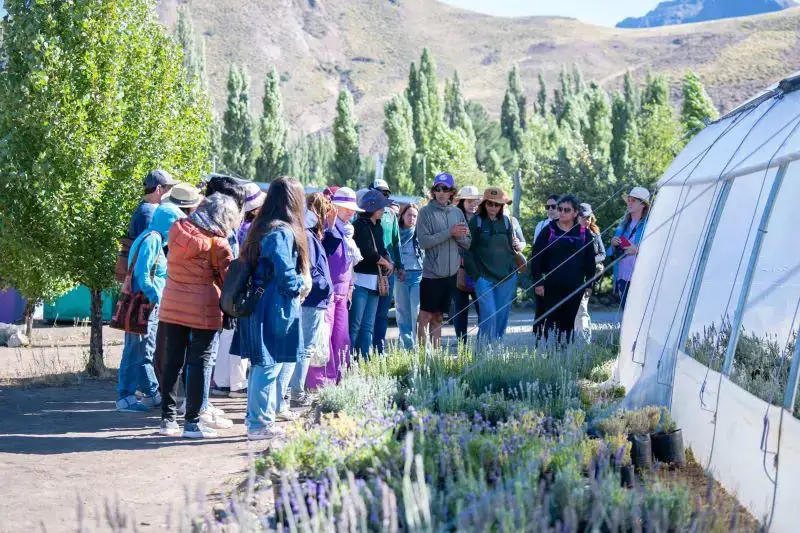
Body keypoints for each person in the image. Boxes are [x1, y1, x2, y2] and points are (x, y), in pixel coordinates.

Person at [158, 193, 238, 438]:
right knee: (199, 364)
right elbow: (228, 281)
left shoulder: (176, 229)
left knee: (172, 362)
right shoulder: (218, 244)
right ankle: (191, 423)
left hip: (172, 304)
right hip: (203, 309)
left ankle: (167, 419)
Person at [238, 176, 311, 441]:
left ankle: (260, 420)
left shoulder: (263, 226)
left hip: (264, 302)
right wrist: (300, 283)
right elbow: (285, 273)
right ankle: (258, 424)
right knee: (268, 364)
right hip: (275, 304)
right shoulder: (281, 231)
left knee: (266, 364)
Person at [116, 200, 190, 412]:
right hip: (144, 305)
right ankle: (126, 396)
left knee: (142, 350)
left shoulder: (149, 236)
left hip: (144, 304)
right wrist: (155, 295)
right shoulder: (154, 239)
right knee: (136, 350)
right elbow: (143, 273)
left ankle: (150, 393)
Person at [213, 182, 264, 398]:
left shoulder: (239, 228)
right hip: (242, 287)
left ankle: (222, 381)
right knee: (237, 335)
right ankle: (237, 383)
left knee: (228, 335)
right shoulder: (250, 231)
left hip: (231, 286)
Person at [305, 187, 361, 389]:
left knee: (341, 337)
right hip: (327, 294)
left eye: (352, 209)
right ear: (334, 207)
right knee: (323, 339)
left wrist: (351, 285)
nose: (350, 212)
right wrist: (328, 226)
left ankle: (339, 376)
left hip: (343, 292)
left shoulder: (347, 232)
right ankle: (319, 382)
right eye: (345, 208)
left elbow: (348, 263)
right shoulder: (325, 231)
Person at [285, 193, 333, 407]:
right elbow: (311, 269)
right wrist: (325, 287)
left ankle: (293, 390)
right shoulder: (309, 236)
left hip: (313, 298)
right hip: (313, 299)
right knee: (304, 347)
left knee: (302, 345)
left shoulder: (309, 235)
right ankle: (296, 391)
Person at [530, 195, 597, 343]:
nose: (562, 212)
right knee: (551, 321)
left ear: (575, 213)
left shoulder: (583, 232)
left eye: (567, 210)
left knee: (568, 322)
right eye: (559, 209)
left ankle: (564, 355)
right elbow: (535, 258)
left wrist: (590, 284)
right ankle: (548, 354)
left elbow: (590, 260)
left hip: (575, 285)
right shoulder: (549, 230)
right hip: (551, 285)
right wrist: (538, 282)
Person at [416, 173, 471, 349]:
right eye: (438, 189)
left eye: (445, 189)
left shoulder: (457, 212)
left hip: (451, 275)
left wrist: (457, 236)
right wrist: (450, 232)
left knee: (439, 316)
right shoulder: (425, 212)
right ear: (433, 191)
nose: (441, 193)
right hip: (431, 274)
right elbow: (424, 242)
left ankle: (436, 358)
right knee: (425, 317)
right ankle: (422, 357)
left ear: (451, 193)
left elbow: (468, 243)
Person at [462, 187, 520, 342]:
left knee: (502, 316)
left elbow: (511, 249)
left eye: (497, 204)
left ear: (502, 206)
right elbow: (467, 251)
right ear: (484, 204)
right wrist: (476, 276)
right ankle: (482, 352)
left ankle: (496, 352)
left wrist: (515, 265)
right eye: (490, 204)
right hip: (484, 278)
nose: (493, 207)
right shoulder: (477, 221)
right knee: (490, 314)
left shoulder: (507, 222)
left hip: (507, 277)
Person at [350, 189, 394, 358]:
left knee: (368, 325)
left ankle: (363, 359)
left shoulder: (379, 227)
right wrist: (386, 263)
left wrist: (387, 258)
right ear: (372, 208)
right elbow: (368, 252)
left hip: (375, 282)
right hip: (360, 281)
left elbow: (381, 250)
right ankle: (348, 359)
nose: (384, 210)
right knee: (355, 324)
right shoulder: (359, 226)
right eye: (381, 208)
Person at [370, 179, 404, 355]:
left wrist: (400, 265)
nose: (383, 196)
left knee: (382, 312)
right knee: (367, 314)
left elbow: (396, 242)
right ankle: (361, 351)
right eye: (379, 192)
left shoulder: (391, 214)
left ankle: (379, 350)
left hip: (387, 270)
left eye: (386, 194)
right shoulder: (362, 214)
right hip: (368, 269)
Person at [609, 187, 649, 309]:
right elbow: (610, 252)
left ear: (643, 205)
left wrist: (638, 251)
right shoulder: (622, 225)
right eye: (629, 200)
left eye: (633, 200)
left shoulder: (650, 224)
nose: (629, 203)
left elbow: (656, 251)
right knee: (625, 312)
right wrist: (613, 243)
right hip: (622, 275)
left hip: (640, 277)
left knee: (637, 312)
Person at [452, 185, 482, 342]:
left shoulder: (482, 219)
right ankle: (461, 344)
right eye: (469, 201)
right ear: (462, 201)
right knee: (460, 310)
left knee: (482, 309)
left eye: (475, 200)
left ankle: (483, 342)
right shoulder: (455, 218)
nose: (473, 204)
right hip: (460, 270)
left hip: (479, 271)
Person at [574, 203, 606, 343]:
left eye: (588, 217)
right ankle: (576, 338)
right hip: (572, 275)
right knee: (575, 308)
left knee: (582, 306)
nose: (586, 220)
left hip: (589, 276)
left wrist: (589, 260)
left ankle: (584, 340)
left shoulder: (595, 233)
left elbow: (602, 254)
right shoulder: (569, 233)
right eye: (582, 217)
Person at [395, 203, 424, 349]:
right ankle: (407, 347)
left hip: (418, 275)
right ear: (402, 215)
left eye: (414, 215)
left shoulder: (420, 232)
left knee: (417, 313)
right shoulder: (396, 232)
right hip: (401, 276)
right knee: (402, 312)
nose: (412, 218)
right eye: (409, 215)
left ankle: (418, 346)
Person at [129, 170, 177, 240]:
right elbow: (150, 246)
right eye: (169, 188)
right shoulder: (148, 213)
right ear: (158, 189)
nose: (171, 192)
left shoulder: (147, 208)